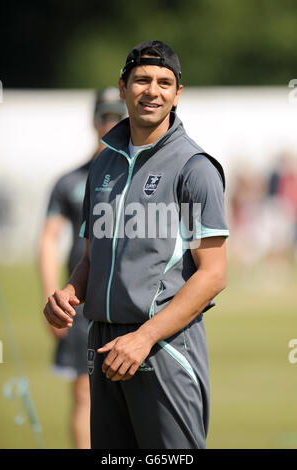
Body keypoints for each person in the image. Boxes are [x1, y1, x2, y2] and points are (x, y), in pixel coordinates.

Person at [43, 40, 229, 449]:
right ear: (123, 85)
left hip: (163, 345)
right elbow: (93, 258)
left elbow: (214, 275)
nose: (153, 90)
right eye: (142, 79)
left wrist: (144, 338)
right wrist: (69, 294)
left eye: (165, 82)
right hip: (102, 343)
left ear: (178, 93)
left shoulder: (195, 169)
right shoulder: (103, 164)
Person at [39, 88, 126, 449]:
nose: (110, 124)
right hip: (81, 302)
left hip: (123, 300)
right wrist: (53, 297)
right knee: (84, 395)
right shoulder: (69, 181)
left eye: (116, 117)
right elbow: (47, 240)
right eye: (104, 117)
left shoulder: (135, 177)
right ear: (93, 121)